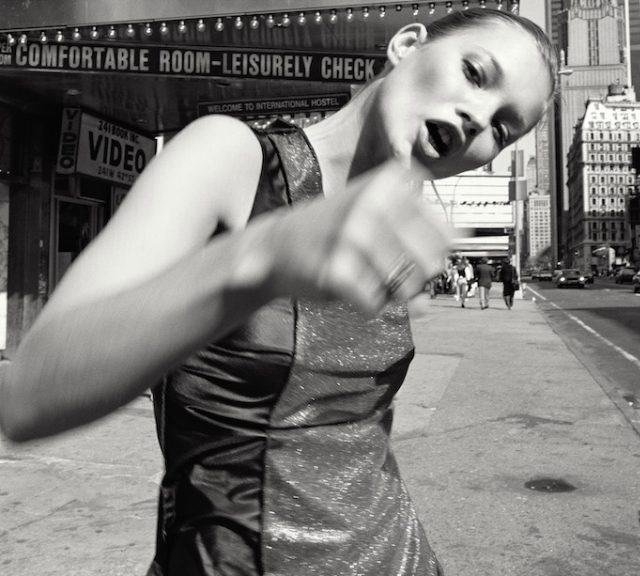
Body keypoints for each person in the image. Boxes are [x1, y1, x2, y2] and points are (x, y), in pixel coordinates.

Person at [0, 9, 557, 576]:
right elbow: (27, 399)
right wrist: (263, 253)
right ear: (407, 45)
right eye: (474, 73)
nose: (477, 117)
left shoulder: (395, 228)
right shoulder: (230, 157)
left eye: (502, 129)